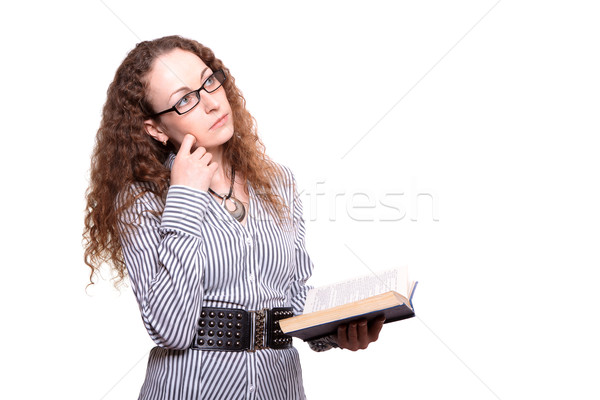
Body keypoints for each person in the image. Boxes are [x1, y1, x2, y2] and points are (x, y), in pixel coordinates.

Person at [83, 35, 385, 399]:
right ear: (156, 129)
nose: (211, 103)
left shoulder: (278, 182)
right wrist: (186, 196)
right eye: (184, 100)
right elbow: (170, 328)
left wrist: (337, 330)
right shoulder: (141, 201)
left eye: (209, 80)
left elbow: (290, 297)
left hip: (280, 388)